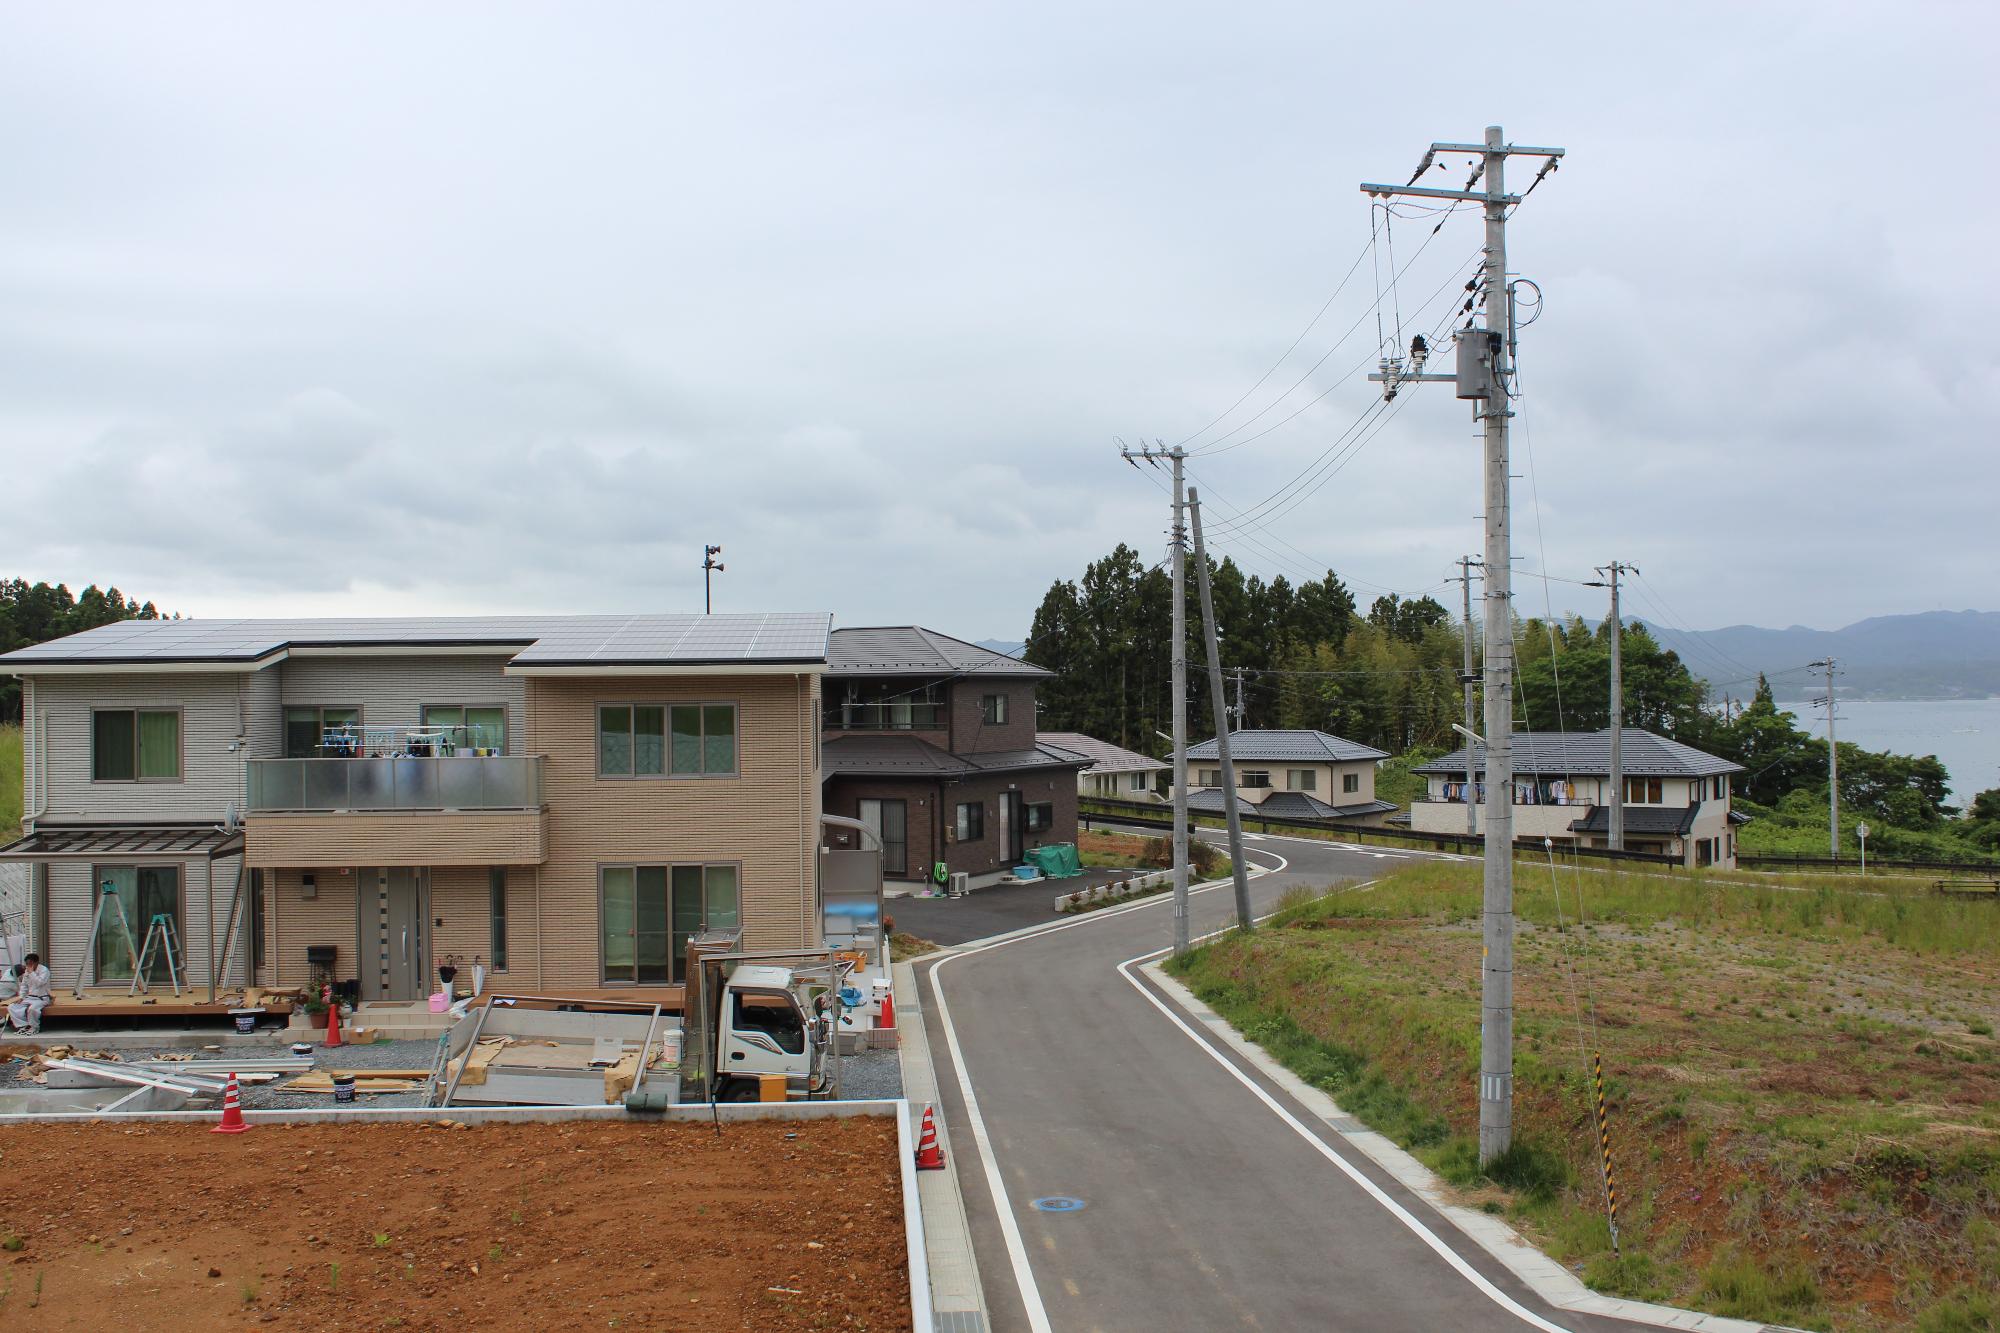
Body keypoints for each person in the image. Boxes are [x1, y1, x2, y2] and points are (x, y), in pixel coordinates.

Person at [7, 953, 51, 1035]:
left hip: (42, 998)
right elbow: (24, 986)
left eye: (30, 963)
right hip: (30, 997)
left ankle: (34, 1027)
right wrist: (21, 997)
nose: (28, 965)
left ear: (36, 962)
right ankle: (23, 1025)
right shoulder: (27, 972)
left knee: (32, 1009)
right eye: (27, 964)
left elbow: (40, 983)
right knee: (12, 1007)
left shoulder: (44, 970)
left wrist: (31, 973)